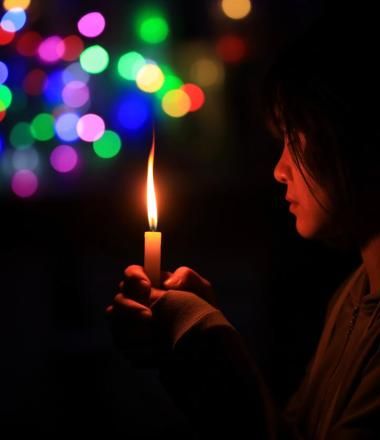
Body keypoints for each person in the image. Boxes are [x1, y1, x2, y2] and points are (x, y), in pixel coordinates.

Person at [106, 11, 380, 439]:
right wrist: (196, 349)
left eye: (294, 136)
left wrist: (206, 336)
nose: (279, 170)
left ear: (354, 137)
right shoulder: (354, 294)